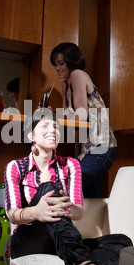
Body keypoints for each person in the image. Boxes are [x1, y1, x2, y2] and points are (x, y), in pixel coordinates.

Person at [4, 109, 132, 265]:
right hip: (28, 240)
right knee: (48, 187)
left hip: (60, 240)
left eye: (55, 127)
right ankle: (82, 264)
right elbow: (12, 214)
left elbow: (79, 211)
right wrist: (37, 212)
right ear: (31, 136)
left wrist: (70, 209)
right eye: (45, 126)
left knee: (122, 242)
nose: (53, 131)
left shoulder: (71, 164)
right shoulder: (15, 167)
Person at [50, 42, 117, 198]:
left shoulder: (77, 74)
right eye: (55, 65)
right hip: (88, 150)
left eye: (61, 63)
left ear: (71, 60)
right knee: (91, 201)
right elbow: (69, 119)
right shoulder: (66, 84)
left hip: (101, 147)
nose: (57, 68)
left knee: (66, 185)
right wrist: (51, 114)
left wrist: (55, 116)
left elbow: (81, 116)